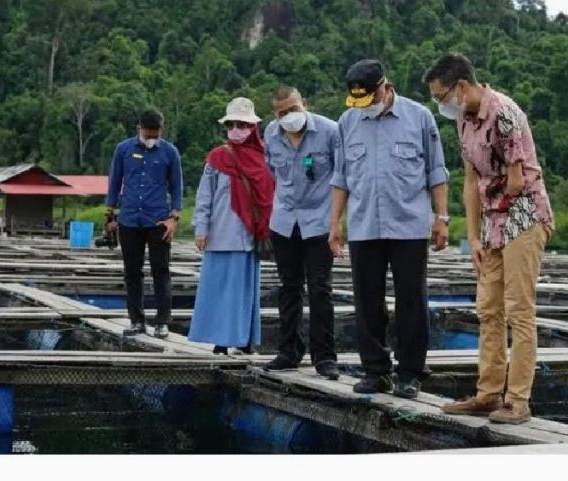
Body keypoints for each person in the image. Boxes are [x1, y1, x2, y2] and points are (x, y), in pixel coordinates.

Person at [424, 53, 555, 424]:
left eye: (441, 95)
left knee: (519, 310)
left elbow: (515, 182)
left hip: (524, 217)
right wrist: (474, 237)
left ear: (461, 87)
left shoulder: (505, 113)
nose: (441, 104)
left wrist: (493, 216)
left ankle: (517, 401)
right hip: (494, 223)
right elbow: (469, 181)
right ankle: (487, 393)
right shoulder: (464, 121)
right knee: (488, 308)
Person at [329, 59, 450, 399]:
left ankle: (410, 373)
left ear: (384, 87)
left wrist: (441, 217)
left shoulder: (419, 117)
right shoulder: (347, 121)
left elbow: (436, 172)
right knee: (367, 300)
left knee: (411, 300)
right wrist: (334, 222)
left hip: (409, 225)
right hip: (364, 224)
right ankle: (375, 370)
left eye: (369, 98)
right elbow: (340, 177)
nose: (365, 107)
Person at [262, 86, 341, 380]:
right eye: (282, 113)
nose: (289, 116)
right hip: (284, 221)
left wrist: (337, 220)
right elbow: (272, 172)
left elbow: (341, 176)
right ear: (275, 114)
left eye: (293, 109)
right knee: (288, 287)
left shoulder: (330, 131)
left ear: (304, 103)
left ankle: (324, 358)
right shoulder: (271, 134)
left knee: (320, 289)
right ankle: (288, 352)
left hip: (319, 222)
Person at [189, 97, 275, 355]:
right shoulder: (217, 158)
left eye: (242, 124)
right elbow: (205, 196)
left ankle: (244, 339)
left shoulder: (265, 158)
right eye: (232, 124)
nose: (236, 129)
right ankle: (220, 341)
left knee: (243, 294)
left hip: (248, 238)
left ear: (252, 128)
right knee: (217, 292)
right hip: (219, 235)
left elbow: (271, 196)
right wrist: (201, 228)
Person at [106, 108, 183, 339]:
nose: (151, 138)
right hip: (129, 219)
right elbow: (114, 181)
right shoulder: (123, 149)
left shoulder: (170, 152)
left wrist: (174, 217)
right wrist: (109, 214)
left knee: (161, 271)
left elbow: (177, 187)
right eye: (148, 133)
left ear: (161, 130)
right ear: (138, 128)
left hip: (158, 220)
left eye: (156, 133)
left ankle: (162, 322)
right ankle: (136, 320)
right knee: (132, 272)